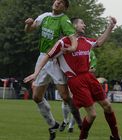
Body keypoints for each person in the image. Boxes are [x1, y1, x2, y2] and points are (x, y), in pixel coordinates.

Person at [24, 17, 121, 140]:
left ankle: (116, 136)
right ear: (74, 26)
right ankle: (82, 137)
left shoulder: (85, 40)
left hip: (89, 77)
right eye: (82, 23)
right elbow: (47, 56)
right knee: (92, 114)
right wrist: (36, 73)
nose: (84, 25)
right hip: (76, 80)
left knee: (108, 106)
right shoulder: (63, 42)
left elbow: (99, 42)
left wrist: (110, 27)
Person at [24, 0, 82, 140]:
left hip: (56, 59)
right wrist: (28, 24)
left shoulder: (63, 20)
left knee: (65, 96)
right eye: (57, 0)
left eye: (62, 2)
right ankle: (52, 124)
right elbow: (29, 30)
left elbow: (72, 37)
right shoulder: (44, 16)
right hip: (42, 58)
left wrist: (73, 47)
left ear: (65, 8)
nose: (58, 3)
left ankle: (79, 122)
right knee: (37, 97)